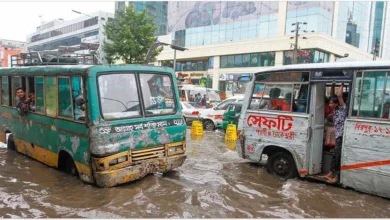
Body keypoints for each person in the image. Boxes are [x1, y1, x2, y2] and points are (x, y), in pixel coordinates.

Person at [324, 82, 347, 184]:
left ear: (337, 103)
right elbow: (332, 95)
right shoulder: (335, 110)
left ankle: (336, 177)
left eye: (331, 103)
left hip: (342, 135)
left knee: (338, 156)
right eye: (329, 103)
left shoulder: (342, 108)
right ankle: (330, 173)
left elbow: (339, 95)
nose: (330, 104)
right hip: (338, 135)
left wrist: (342, 84)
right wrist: (332, 84)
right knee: (334, 155)